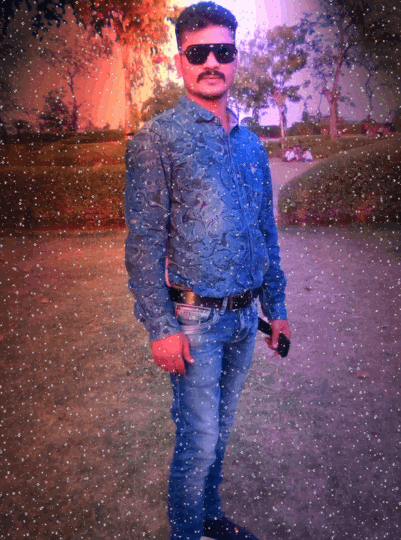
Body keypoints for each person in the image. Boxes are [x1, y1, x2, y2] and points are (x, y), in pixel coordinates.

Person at [124, 3, 291, 539]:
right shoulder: (158, 140)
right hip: (193, 322)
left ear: (235, 59)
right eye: (199, 53)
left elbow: (265, 232)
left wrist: (276, 310)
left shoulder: (251, 144)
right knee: (197, 440)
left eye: (223, 51)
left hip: (244, 321)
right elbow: (144, 246)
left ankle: (210, 519)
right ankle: (187, 533)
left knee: (218, 434)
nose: (212, 62)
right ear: (181, 62)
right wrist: (161, 327)